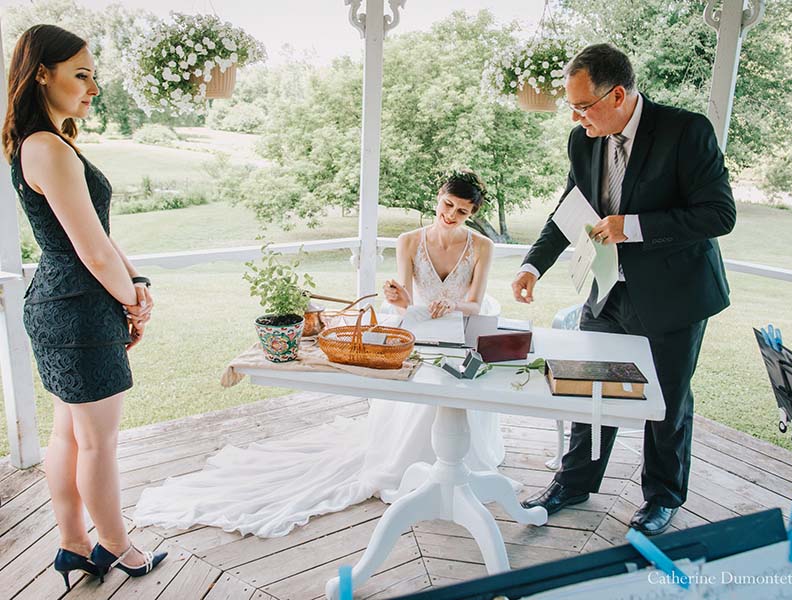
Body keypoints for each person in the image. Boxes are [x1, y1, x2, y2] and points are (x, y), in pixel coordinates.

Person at [133, 170, 503, 537]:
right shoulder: (408, 241)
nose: (450, 215)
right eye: (447, 205)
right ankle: (412, 467)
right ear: (438, 197)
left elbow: (474, 303)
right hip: (417, 329)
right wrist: (398, 298)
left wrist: (450, 305)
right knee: (415, 397)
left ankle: (453, 467)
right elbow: (404, 303)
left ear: (471, 215)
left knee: (454, 393)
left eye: (461, 212)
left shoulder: (481, 246)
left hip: (459, 329)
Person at [511, 43, 735, 536]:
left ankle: (663, 496)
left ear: (617, 95)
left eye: (583, 106)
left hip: (675, 295)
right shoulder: (582, 140)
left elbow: (719, 215)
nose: (575, 116)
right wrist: (533, 266)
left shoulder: (686, 131)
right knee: (591, 387)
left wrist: (629, 227)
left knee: (667, 400)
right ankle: (574, 481)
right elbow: (569, 210)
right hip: (606, 290)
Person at [2, 25, 166, 589]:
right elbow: (93, 252)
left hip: (63, 306)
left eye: (93, 74)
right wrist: (133, 302)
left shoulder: (47, 141)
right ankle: (115, 546)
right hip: (76, 310)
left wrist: (135, 282)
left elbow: (97, 237)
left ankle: (73, 543)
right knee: (97, 440)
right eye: (82, 74)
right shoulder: (46, 146)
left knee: (68, 434)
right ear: (41, 74)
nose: (93, 86)